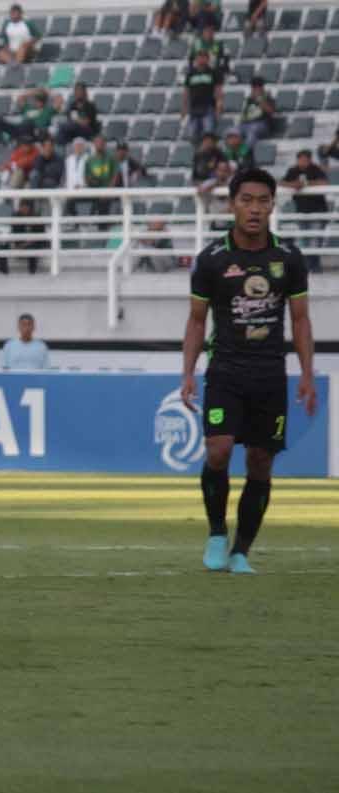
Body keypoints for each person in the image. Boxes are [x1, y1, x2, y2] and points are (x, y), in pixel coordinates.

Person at [182, 168, 315, 575]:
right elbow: (196, 320)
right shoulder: (212, 260)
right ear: (231, 204)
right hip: (224, 370)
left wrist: (307, 374)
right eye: (247, 200)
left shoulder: (288, 259)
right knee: (219, 450)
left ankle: (241, 551)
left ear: (273, 206)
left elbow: (301, 319)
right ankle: (218, 532)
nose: (254, 209)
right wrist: (187, 372)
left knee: (260, 460)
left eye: (263, 201)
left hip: (270, 374)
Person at [281, 150, 329, 272]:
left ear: (309, 160)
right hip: (302, 211)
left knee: (315, 240)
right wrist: (293, 184)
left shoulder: (315, 169)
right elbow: (281, 182)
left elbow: (324, 182)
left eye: (305, 159)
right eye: (300, 159)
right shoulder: (293, 170)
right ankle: (309, 267)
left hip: (318, 211)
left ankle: (315, 266)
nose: (303, 162)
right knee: (305, 240)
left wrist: (307, 184)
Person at [181, 49, 222, 142]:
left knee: (208, 134)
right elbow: (186, 92)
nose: (201, 60)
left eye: (204, 58)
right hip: (194, 108)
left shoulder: (213, 73)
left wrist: (219, 106)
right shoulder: (190, 74)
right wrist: (184, 108)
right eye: (199, 58)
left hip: (208, 107)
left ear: (208, 59)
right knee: (192, 135)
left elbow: (218, 90)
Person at [238, 78, 275, 149]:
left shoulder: (268, 97)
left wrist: (259, 100)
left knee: (251, 131)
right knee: (232, 132)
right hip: (246, 124)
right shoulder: (248, 99)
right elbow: (243, 115)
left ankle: (243, 153)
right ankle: (230, 157)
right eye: (254, 87)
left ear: (262, 87)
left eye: (258, 86)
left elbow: (271, 111)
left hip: (262, 124)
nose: (256, 89)